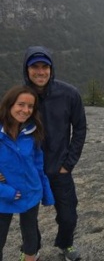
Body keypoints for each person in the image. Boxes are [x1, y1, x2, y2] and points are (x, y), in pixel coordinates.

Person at [23, 46, 87, 261]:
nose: (40, 72)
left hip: (60, 168)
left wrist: (68, 163)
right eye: (34, 67)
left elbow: (79, 128)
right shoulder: (21, 98)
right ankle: (32, 249)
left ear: (51, 69)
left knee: (68, 215)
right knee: (29, 218)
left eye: (44, 66)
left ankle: (65, 243)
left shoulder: (69, 94)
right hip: (30, 170)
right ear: (27, 69)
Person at [0, 85, 55, 261]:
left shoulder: (32, 132)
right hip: (3, 195)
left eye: (30, 106)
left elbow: (38, 166)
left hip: (31, 191)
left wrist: (46, 193)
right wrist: (5, 191)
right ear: (9, 104)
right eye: (20, 104)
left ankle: (30, 258)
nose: (25, 110)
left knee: (30, 232)